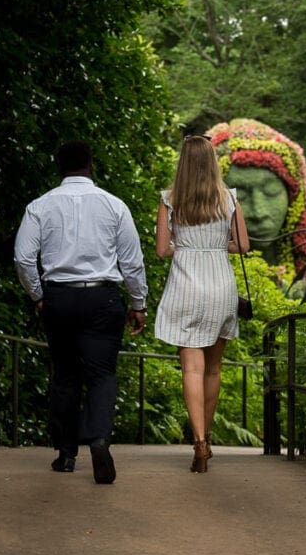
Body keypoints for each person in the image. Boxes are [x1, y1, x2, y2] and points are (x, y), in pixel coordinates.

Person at [14, 140, 148, 484]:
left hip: (59, 297)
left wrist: (38, 296)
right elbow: (132, 262)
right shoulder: (114, 206)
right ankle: (100, 439)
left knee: (65, 375)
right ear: (90, 165)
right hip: (102, 299)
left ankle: (66, 454)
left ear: (59, 167)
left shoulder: (40, 207)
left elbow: (24, 258)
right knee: (102, 374)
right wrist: (138, 304)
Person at [154, 135, 250, 473]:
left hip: (186, 287)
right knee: (213, 368)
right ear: (213, 162)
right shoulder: (229, 200)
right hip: (221, 287)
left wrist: (188, 247)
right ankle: (207, 435)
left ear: (182, 163)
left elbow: (163, 250)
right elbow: (242, 245)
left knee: (191, 368)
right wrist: (214, 245)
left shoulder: (170, 201)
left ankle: (198, 443)